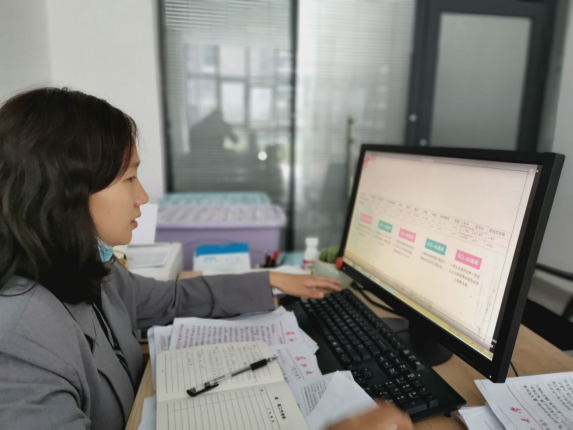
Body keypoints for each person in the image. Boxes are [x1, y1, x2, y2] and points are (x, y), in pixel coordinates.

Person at [0, 88, 413, 430]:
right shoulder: (18, 342)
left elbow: (170, 299)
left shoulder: (88, 267)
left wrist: (270, 279)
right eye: (129, 178)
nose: (143, 196)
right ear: (66, 194)